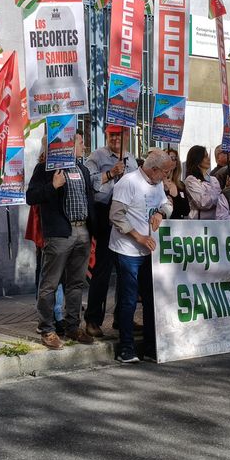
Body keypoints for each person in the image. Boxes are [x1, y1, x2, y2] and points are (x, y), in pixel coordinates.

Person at [25, 131, 96, 350]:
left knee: (76, 283)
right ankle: (47, 329)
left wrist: (93, 229)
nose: (83, 147)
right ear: (67, 144)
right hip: (59, 235)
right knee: (50, 284)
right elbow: (31, 196)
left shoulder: (82, 169)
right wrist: (52, 186)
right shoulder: (46, 169)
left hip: (82, 231)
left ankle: (72, 326)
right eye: (80, 143)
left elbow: (89, 199)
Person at [108, 150, 174, 363]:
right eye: (164, 172)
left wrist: (160, 213)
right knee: (128, 300)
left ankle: (150, 346)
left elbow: (167, 205)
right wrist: (138, 237)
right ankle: (126, 348)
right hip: (128, 249)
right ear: (153, 169)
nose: (166, 177)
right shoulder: (129, 182)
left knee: (150, 299)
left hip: (149, 250)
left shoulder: (157, 184)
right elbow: (116, 216)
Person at [83, 125, 137, 338]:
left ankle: (122, 317)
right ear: (107, 136)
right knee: (102, 272)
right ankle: (93, 320)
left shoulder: (132, 159)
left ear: (127, 135)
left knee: (126, 271)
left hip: (127, 216)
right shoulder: (97, 156)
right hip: (105, 215)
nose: (116, 138)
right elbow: (87, 182)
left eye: (120, 134)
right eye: (112, 134)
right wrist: (110, 173)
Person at [184, 145, 221, 219]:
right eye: (205, 156)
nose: (208, 159)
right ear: (197, 159)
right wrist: (220, 198)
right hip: (199, 224)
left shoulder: (214, 179)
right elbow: (203, 203)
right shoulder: (191, 180)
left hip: (215, 222)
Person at [164, 148, 190, 220]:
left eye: (173, 158)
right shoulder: (157, 183)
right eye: (167, 158)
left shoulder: (180, 185)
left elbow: (186, 211)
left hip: (178, 226)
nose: (170, 161)